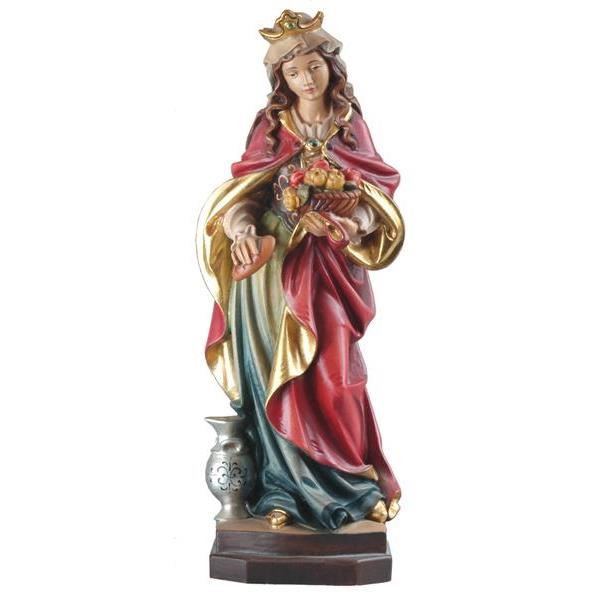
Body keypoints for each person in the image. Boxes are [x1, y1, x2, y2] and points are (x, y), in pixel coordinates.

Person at [197, 10, 405, 530]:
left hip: (328, 262)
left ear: (331, 66)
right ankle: (281, 489)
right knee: (275, 371)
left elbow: (376, 193)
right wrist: (243, 231)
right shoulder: (271, 126)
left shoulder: (350, 124)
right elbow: (243, 194)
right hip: (272, 270)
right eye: (293, 72)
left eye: (313, 66)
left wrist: (352, 223)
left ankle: (353, 484)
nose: (306, 79)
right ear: (281, 79)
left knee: (336, 371)